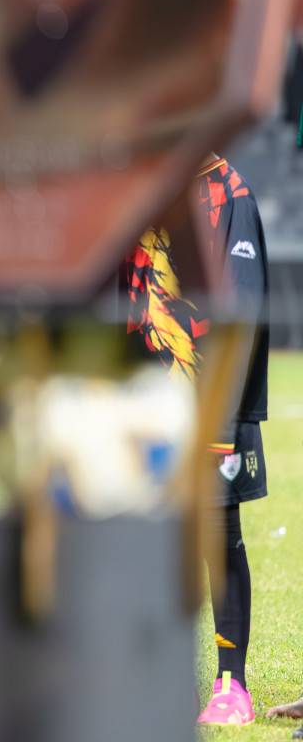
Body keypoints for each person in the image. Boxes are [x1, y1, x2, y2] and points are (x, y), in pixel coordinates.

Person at [123, 155, 269, 726]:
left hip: (209, 398)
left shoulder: (225, 190)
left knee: (217, 532)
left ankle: (232, 685)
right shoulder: (134, 181)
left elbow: (245, 303)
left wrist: (223, 412)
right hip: (140, 397)